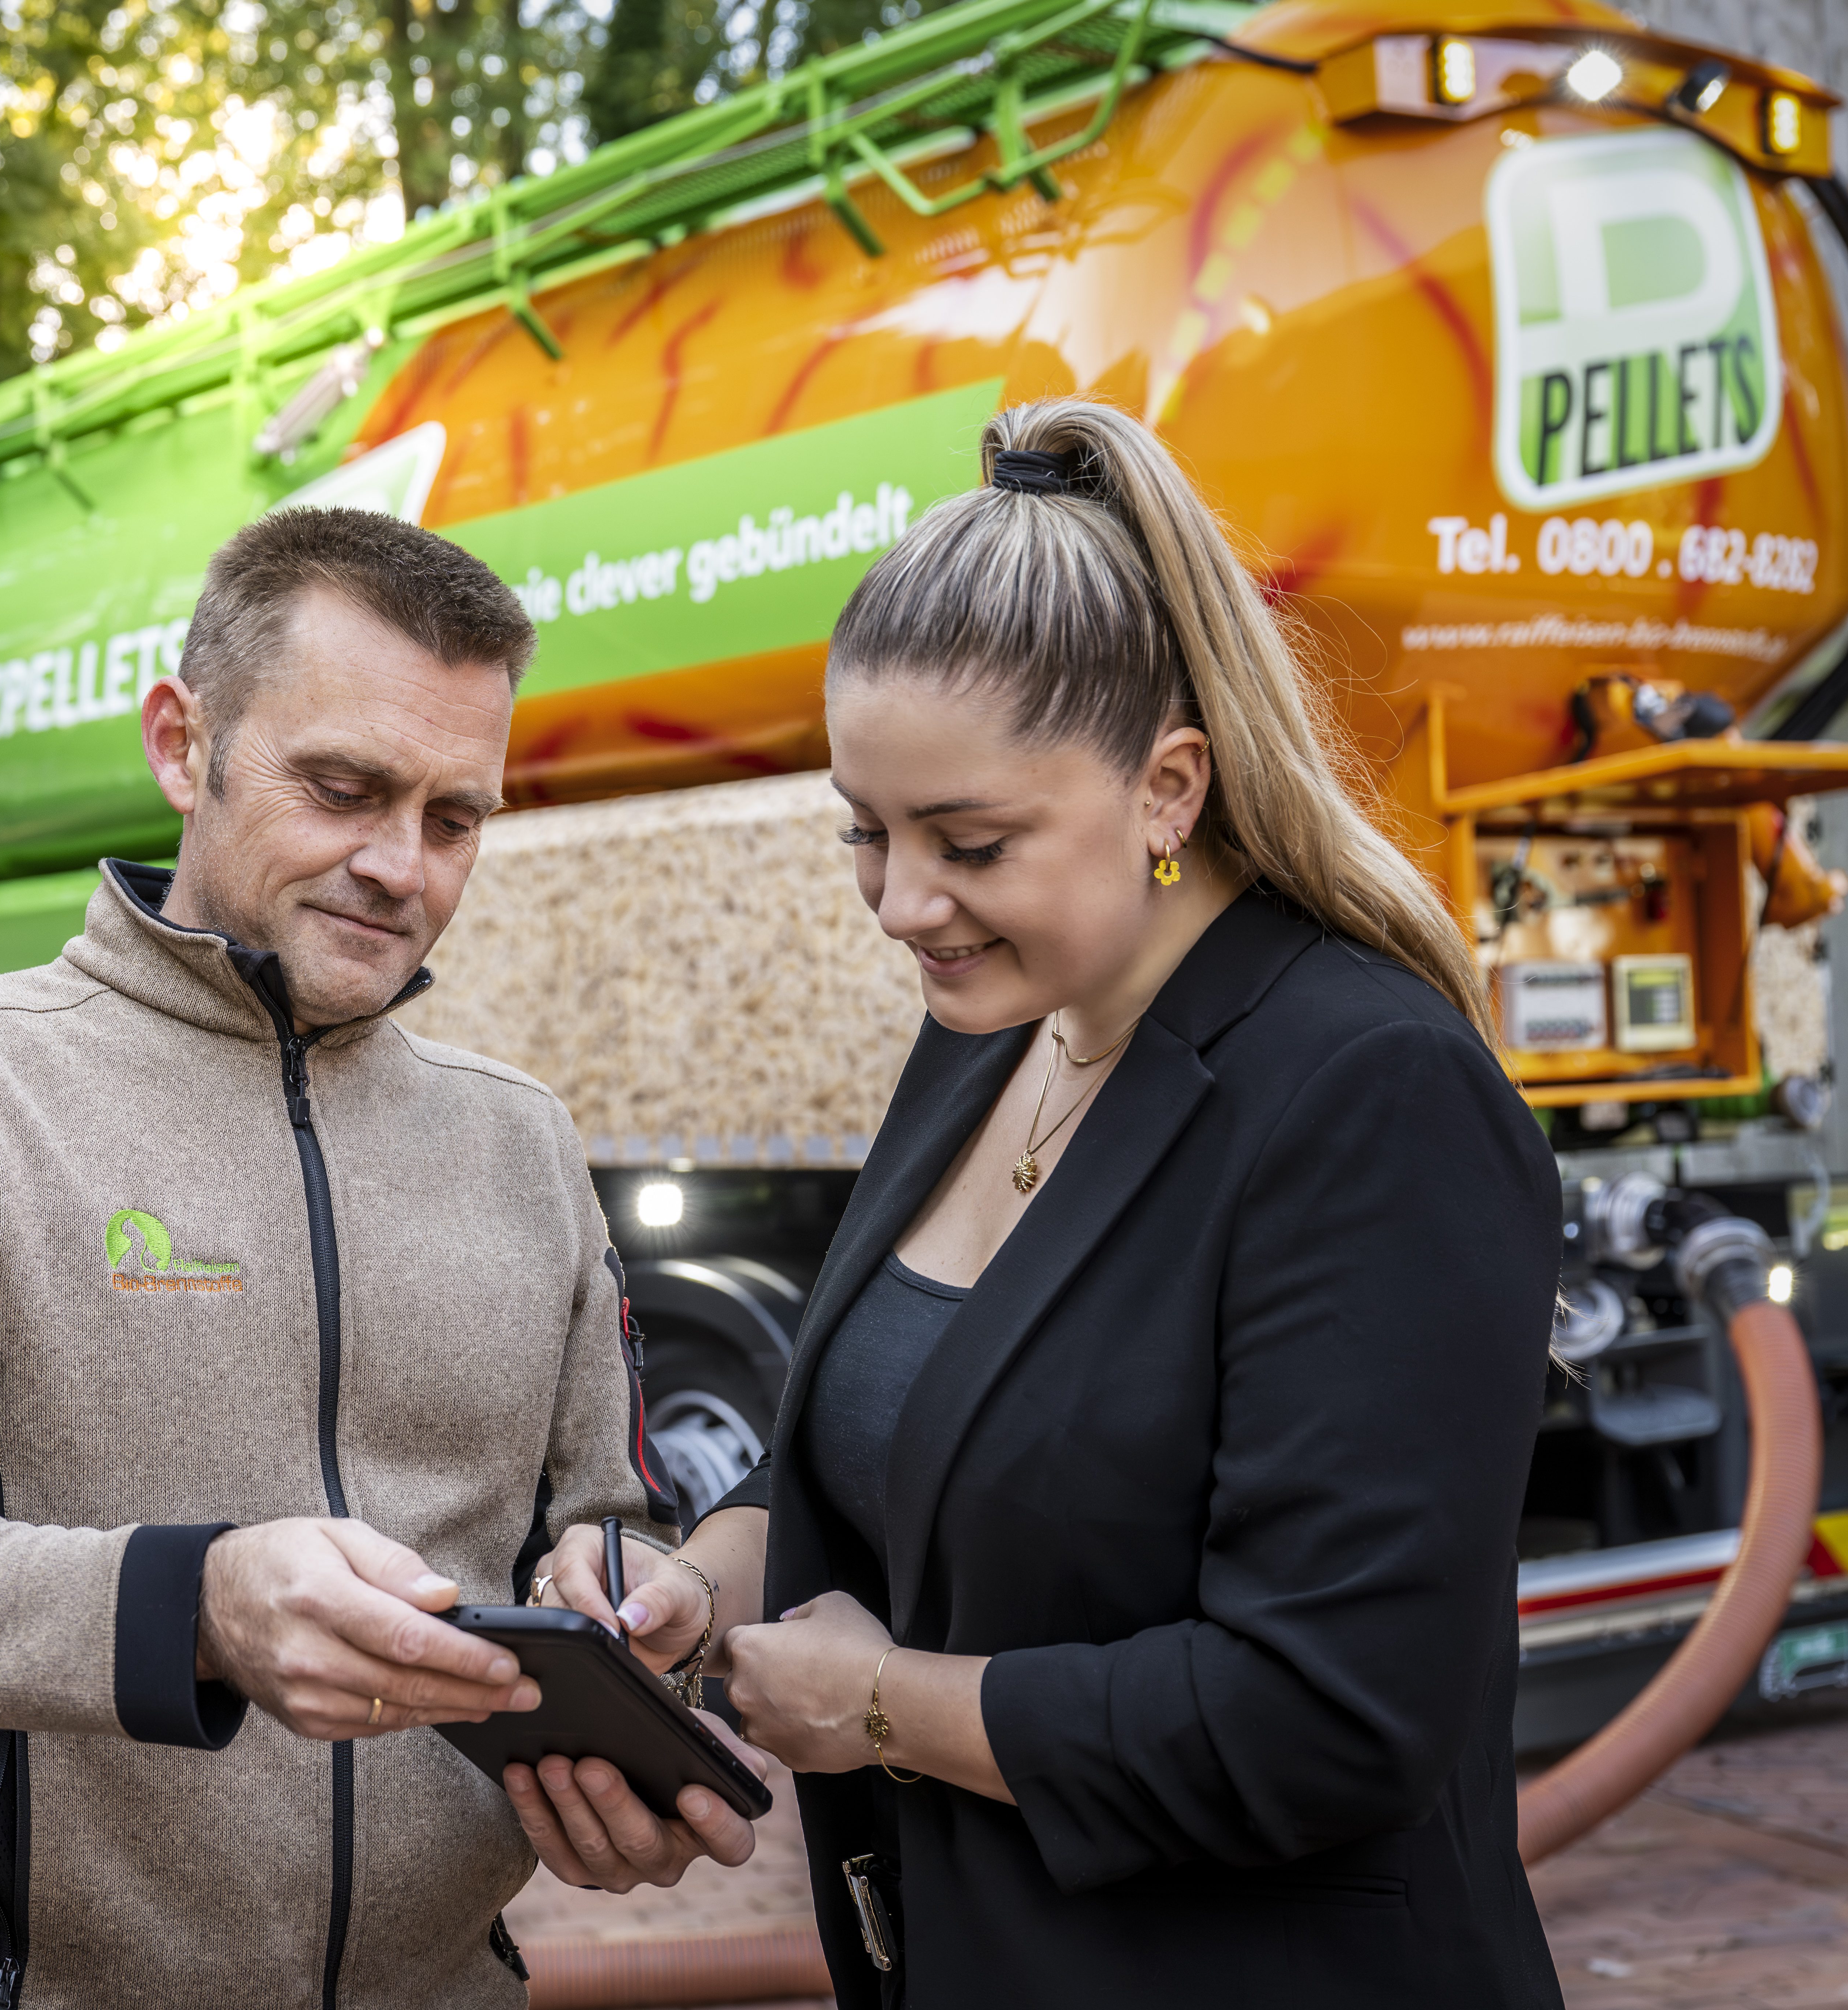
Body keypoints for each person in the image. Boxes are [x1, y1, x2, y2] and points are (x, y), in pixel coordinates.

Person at [514, 399, 1564, 2007]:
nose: (905, 904)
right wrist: (694, 1582)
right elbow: (894, 1472)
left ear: (1169, 788)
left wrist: (882, 1708)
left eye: (973, 841)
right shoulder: (988, 1032)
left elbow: (1330, 1715)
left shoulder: (1368, 1086)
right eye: (867, 834)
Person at [0, 505, 759, 2010]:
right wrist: (188, 1608)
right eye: (342, 788)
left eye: (456, 818)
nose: (401, 865)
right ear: (183, 745)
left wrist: (641, 1615)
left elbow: (598, 1519)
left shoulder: (522, 1141)